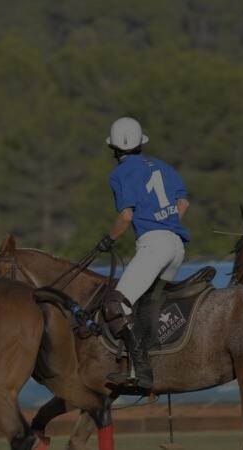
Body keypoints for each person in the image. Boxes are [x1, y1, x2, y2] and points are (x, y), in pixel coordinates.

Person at [96, 117, 190, 390]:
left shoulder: (119, 174)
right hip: (176, 246)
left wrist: (109, 239)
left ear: (114, 149)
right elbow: (182, 202)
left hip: (154, 246)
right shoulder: (163, 166)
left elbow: (126, 216)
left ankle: (141, 372)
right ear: (140, 144)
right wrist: (168, 220)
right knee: (147, 304)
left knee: (117, 304)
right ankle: (158, 356)